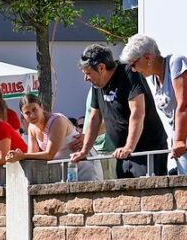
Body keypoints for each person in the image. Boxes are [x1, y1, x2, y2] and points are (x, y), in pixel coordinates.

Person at [70, 43, 168, 177]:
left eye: (88, 73)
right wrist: (85, 151)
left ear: (101, 68)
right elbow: (94, 118)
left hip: (147, 149)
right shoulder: (97, 85)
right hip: (122, 152)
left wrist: (129, 146)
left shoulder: (129, 73)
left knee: (149, 192)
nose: (86, 78)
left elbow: (137, 112)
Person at [120, 34, 187, 175]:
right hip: (184, 144)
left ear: (148, 57)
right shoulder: (154, 80)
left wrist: (179, 140)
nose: (133, 70)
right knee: (185, 187)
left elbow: (185, 104)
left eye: (133, 64)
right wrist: (178, 142)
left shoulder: (176, 62)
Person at [5, 93, 99, 180]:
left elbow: (50, 154)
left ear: (41, 107)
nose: (32, 115)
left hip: (84, 166)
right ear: (22, 115)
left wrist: (22, 155)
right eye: (27, 113)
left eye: (34, 109)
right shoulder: (31, 127)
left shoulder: (57, 121)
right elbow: (32, 155)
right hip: (65, 170)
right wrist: (16, 155)